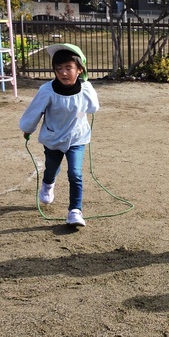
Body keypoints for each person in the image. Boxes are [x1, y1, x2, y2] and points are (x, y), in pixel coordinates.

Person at [20, 44, 100, 227]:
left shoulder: (85, 88)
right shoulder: (47, 90)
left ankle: (75, 211)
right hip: (53, 137)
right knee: (51, 168)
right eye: (59, 69)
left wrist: (78, 112)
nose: (64, 73)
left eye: (68, 68)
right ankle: (48, 184)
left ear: (80, 69)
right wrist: (28, 128)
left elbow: (93, 108)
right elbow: (35, 111)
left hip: (76, 138)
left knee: (75, 173)